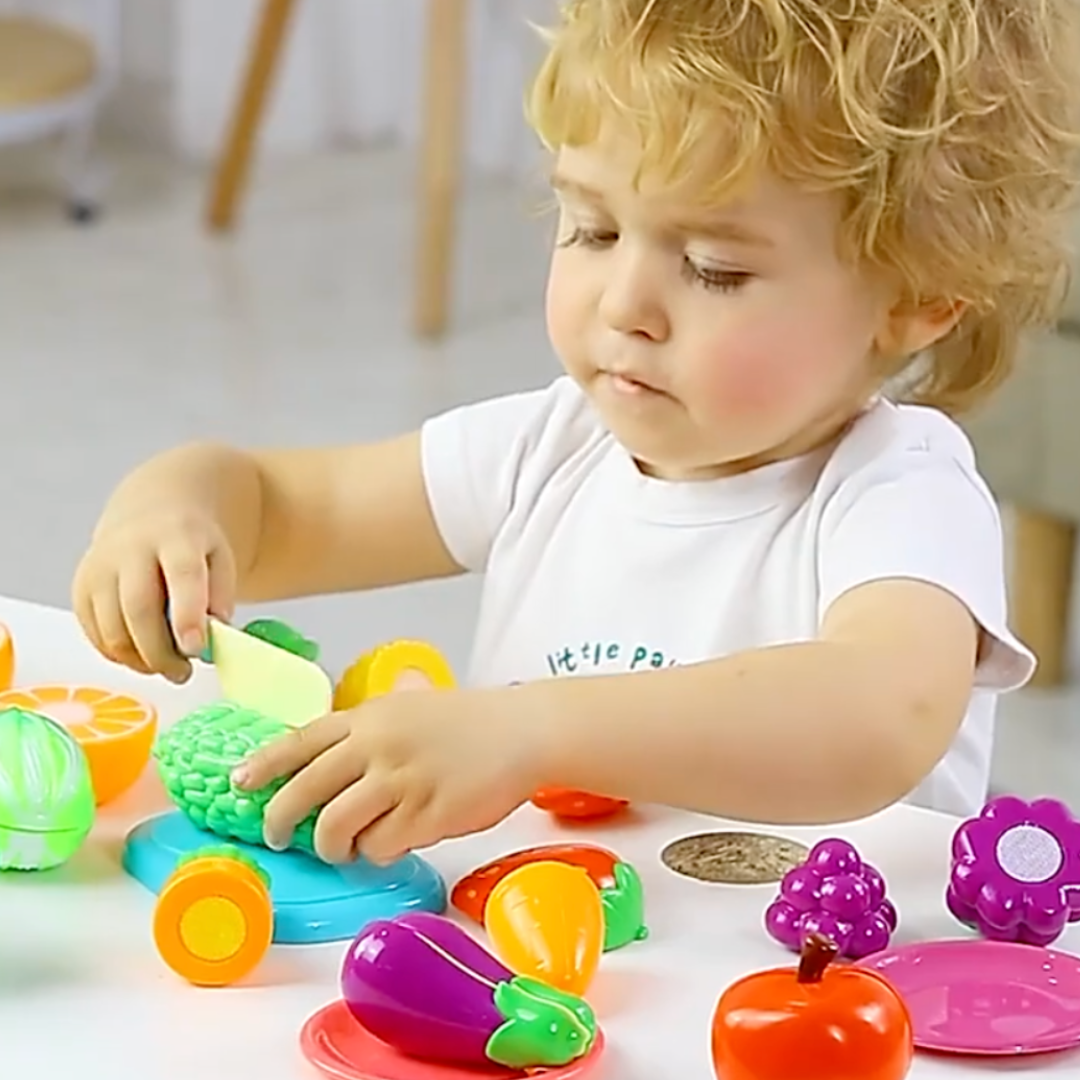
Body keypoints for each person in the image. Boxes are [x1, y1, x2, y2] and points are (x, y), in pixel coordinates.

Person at [73, 0, 1080, 866]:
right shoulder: (549, 450)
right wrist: (171, 508)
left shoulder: (902, 492)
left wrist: (530, 729)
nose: (624, 305)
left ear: (917, 300)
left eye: (716, 268)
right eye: (592, 230)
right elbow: (286, 507)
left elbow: (877, 715)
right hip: (561, 982)